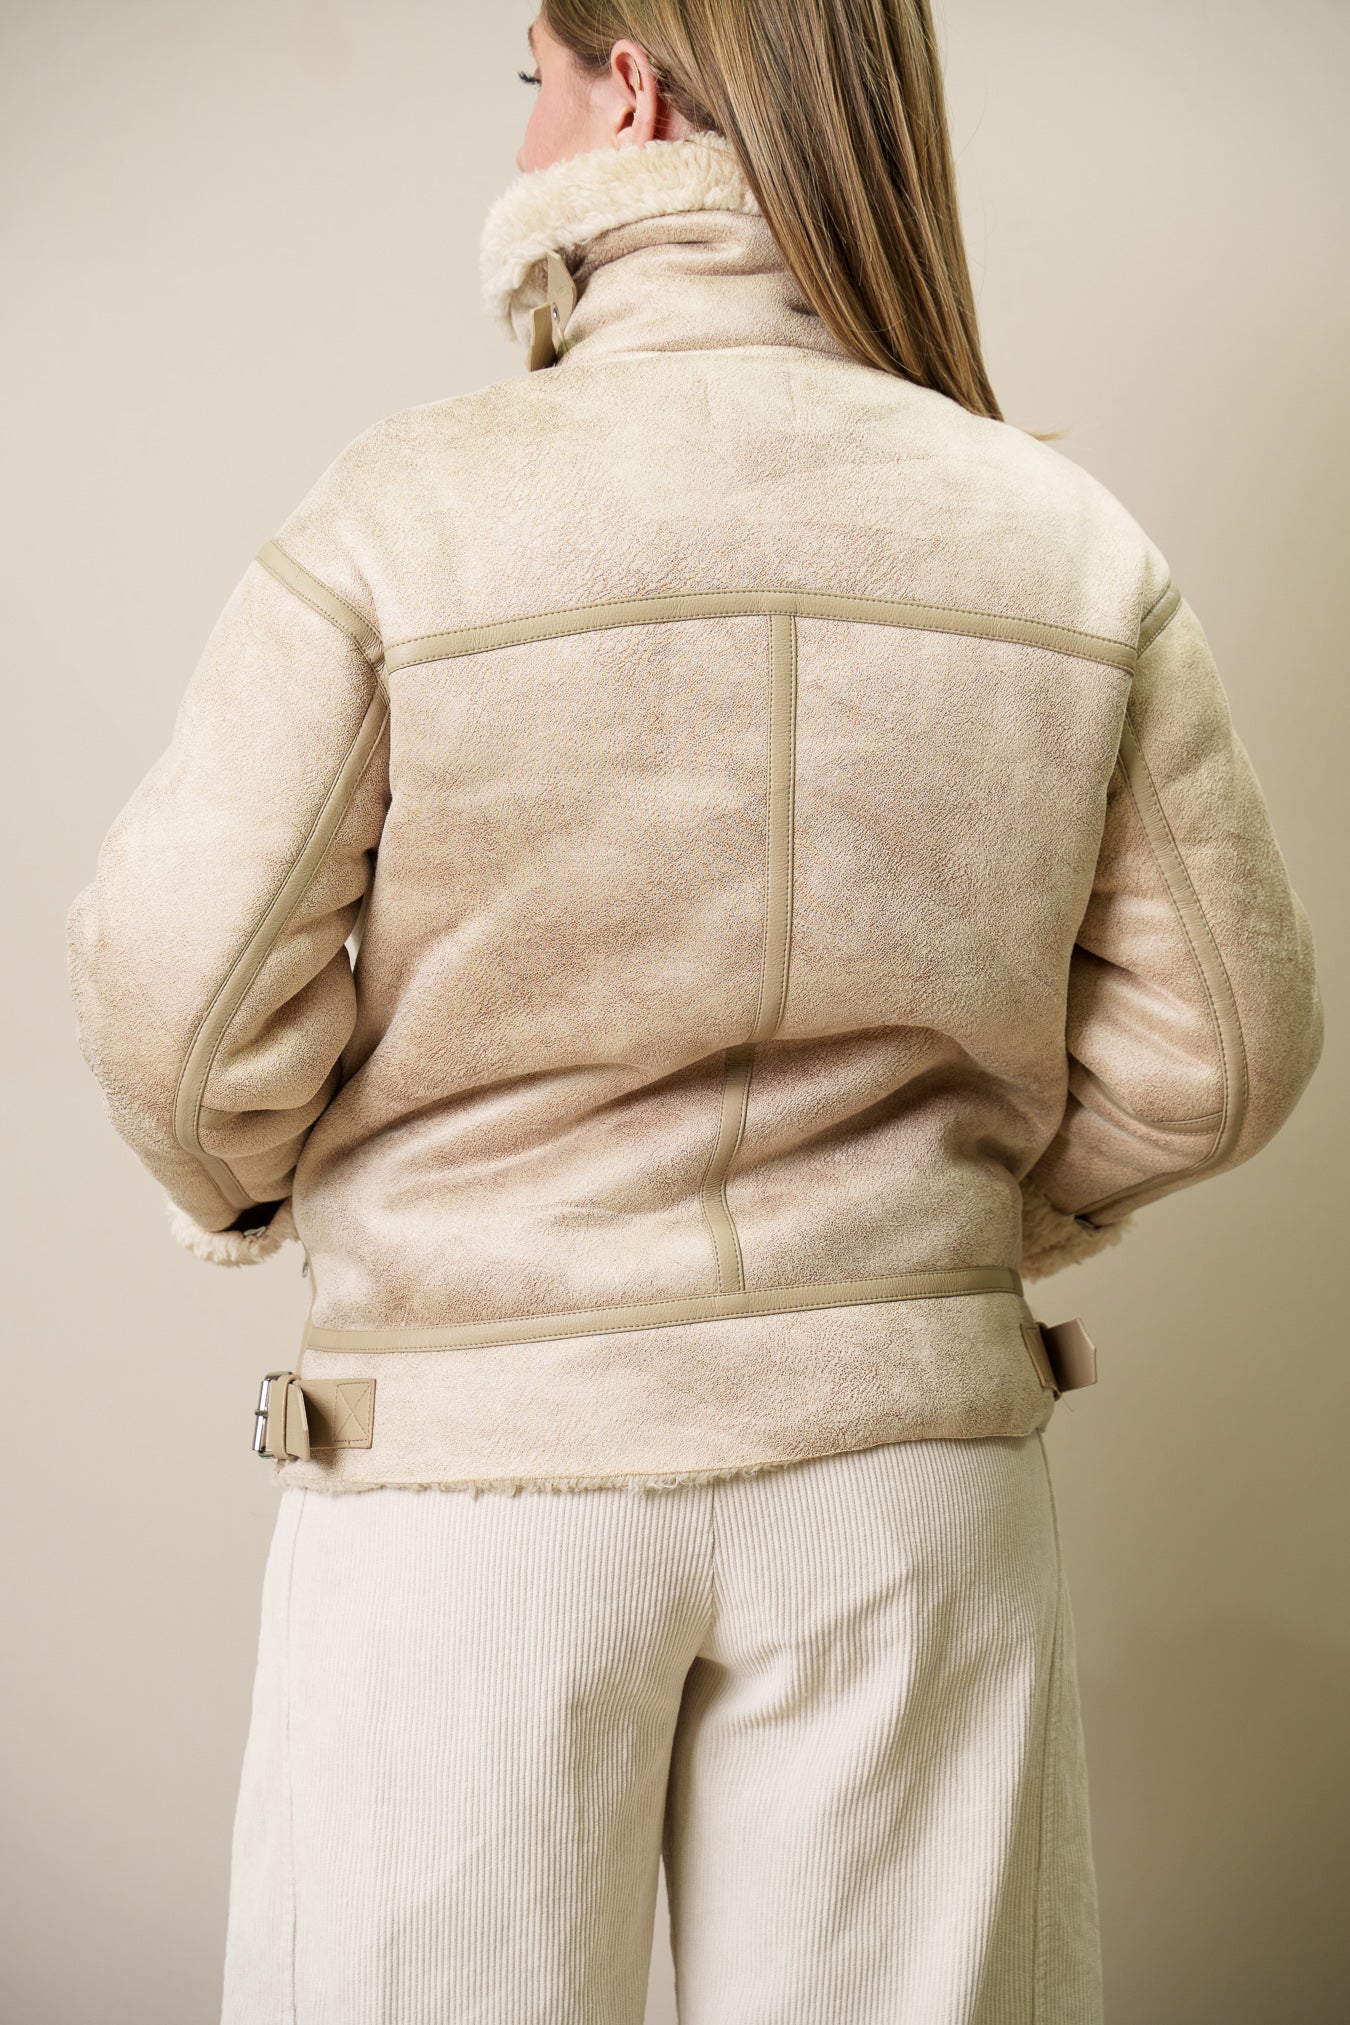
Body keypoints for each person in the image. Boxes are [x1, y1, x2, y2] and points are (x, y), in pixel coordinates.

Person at [66, 4, 1323, 2020]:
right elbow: (1232, 1044)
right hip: (906, 1474)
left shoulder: (404, 511)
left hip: (474, 1477)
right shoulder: (1064, 540)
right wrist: (935, 1227)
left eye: (536, 85)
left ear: (630, 92)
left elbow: (177, 1002)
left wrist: (313, 1197)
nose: (523, 144)